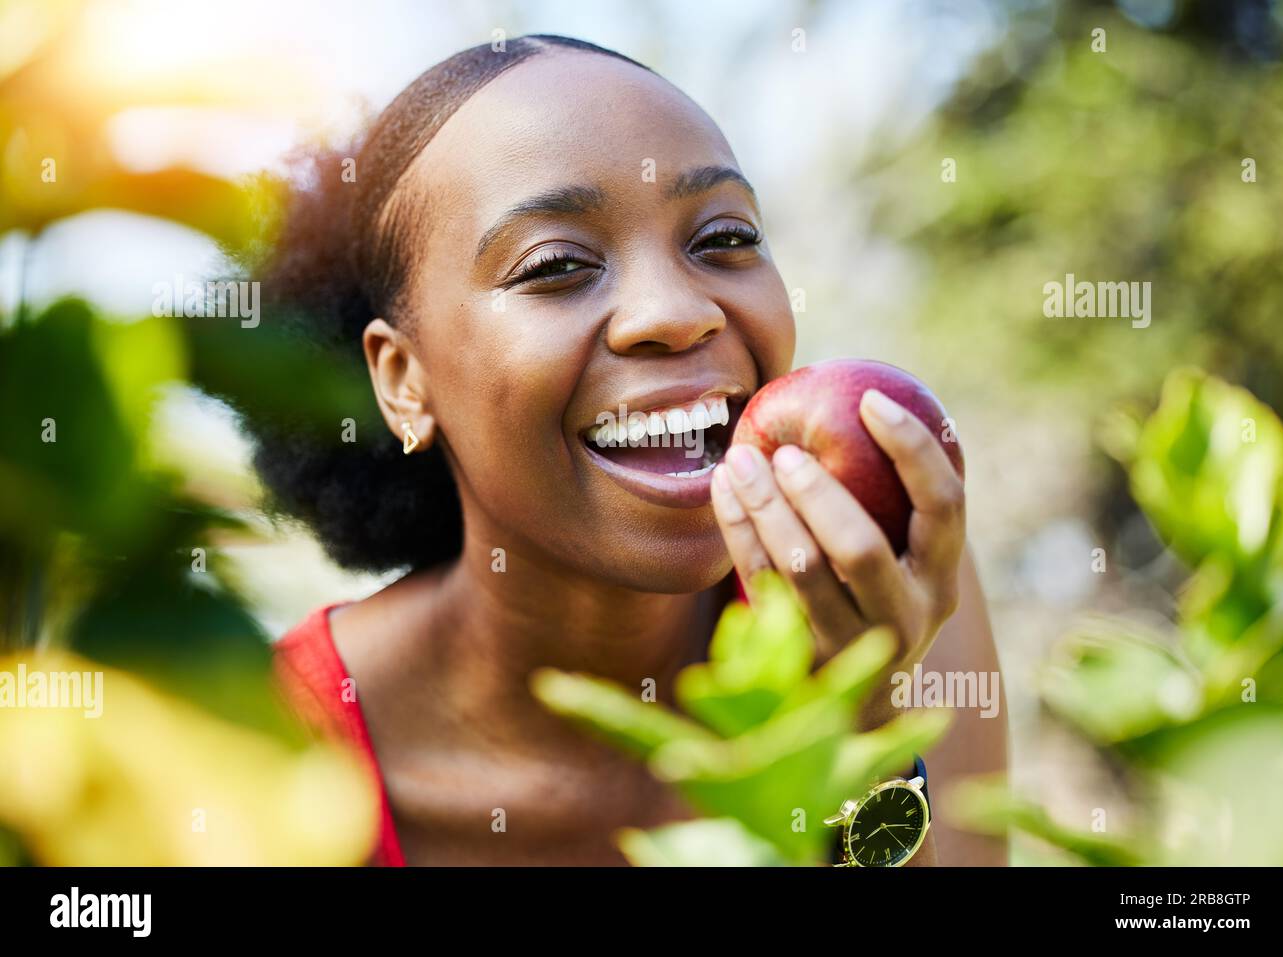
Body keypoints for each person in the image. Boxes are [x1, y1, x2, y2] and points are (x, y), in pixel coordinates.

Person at [255, 34, 1007, 866]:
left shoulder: (881, 584)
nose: (676, 311)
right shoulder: (261, 752)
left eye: (722, 238)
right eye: (557, 265)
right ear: (403, 380)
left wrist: (864, 723)